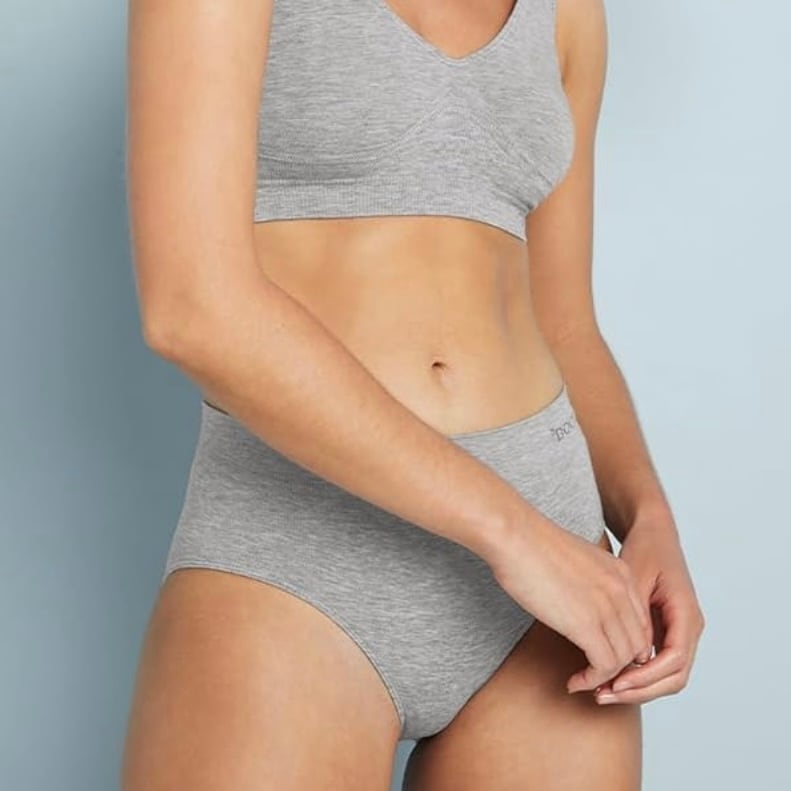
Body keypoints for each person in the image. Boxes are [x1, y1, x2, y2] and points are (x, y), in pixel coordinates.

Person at [121, 0, 705, 788]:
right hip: (305, 541)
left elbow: (564, 323)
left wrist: (648, 519)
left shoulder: (567, 12)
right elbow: (194, 308)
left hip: (551, 573)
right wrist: (513, 538)